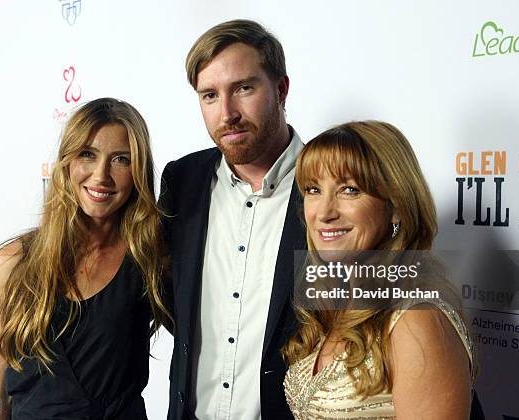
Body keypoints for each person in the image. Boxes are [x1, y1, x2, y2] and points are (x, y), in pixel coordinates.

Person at [0, 98, 167, 419]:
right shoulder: (13, 263)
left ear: (137, 170)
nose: (101, 176)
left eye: (121, 159)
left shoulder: (149, 259)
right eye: (87, 155)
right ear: (66, 162)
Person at [160, 19, 305, 419]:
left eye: (243, 88)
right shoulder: (182, 182)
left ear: (281, 89)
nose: (227, 113)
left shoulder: (332, 186)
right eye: (209, 95)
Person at [283, 121, 478, 419]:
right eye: (313, 189)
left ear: (396, 204)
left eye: (350, 190)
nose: (323, 212)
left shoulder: (416, 320)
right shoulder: (336, 304)